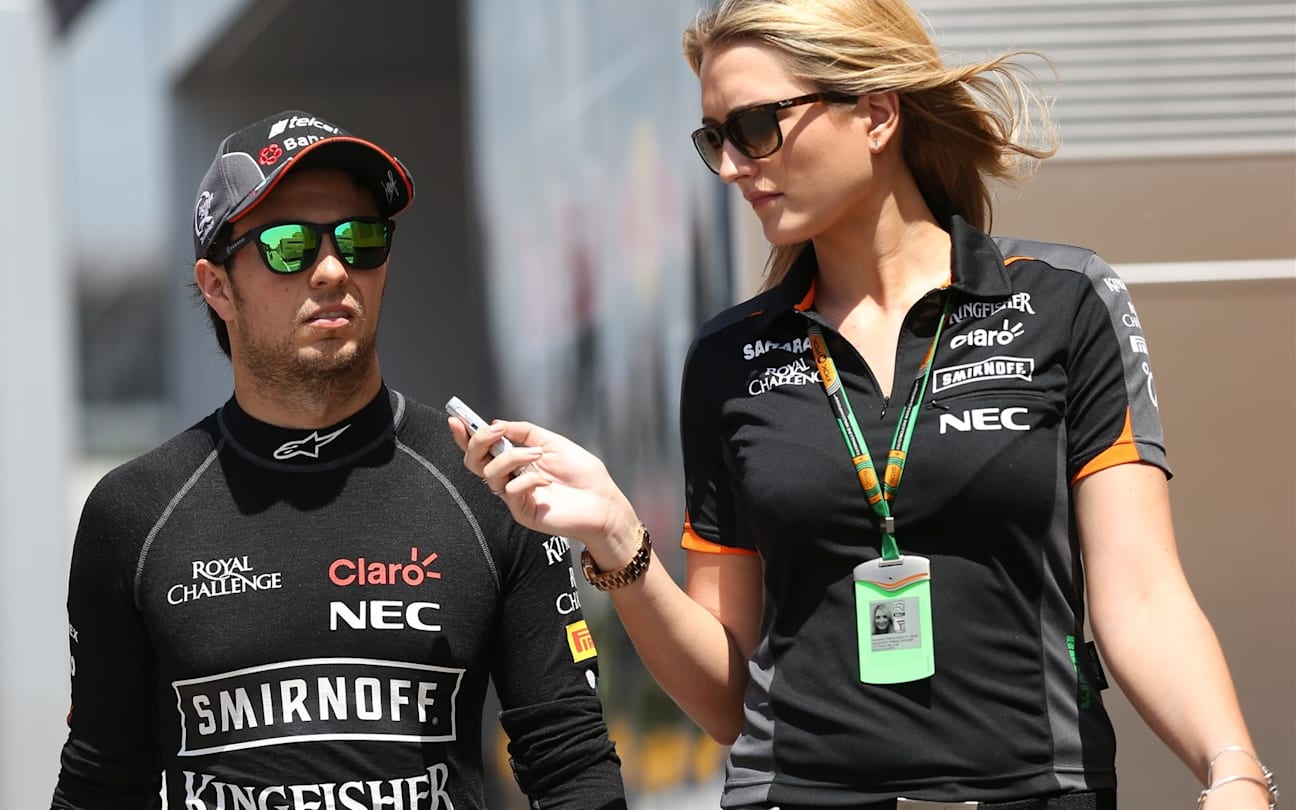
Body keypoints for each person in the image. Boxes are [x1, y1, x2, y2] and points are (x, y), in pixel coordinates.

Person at [450, 2, 1278, 809]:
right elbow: (724, 702)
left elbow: (1139, 594)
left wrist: (1232, 766)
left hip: (1037, 788)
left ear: (877, 113)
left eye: (756, 126)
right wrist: (618, 539)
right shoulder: (728, 358)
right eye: (716, 139)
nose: (735, 165)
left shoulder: (1065, 301)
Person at [51, 109, 627, 810]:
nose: (332, 270)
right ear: (217, 286)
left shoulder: (487, 486)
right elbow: (99, 788)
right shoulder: (135, 513)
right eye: (289, 246)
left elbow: (571, 767)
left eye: (361, 240)